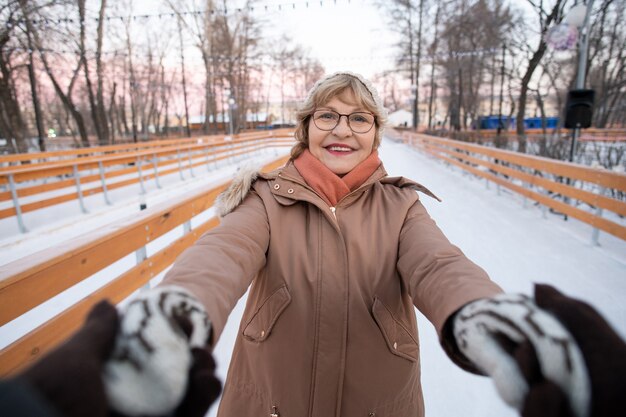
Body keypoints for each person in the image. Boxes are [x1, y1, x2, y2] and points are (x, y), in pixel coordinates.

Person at [3, 72, 624, 417]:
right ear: (306, 128)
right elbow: (222, 255)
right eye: (326, 115)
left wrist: (480, 312)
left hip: (379, 403)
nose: (341, 128)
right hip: (269, 401)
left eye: (358, 117)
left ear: (375, 132)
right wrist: (177, 309)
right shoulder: (265, 198)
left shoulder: (400, 204)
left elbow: (439, 264)